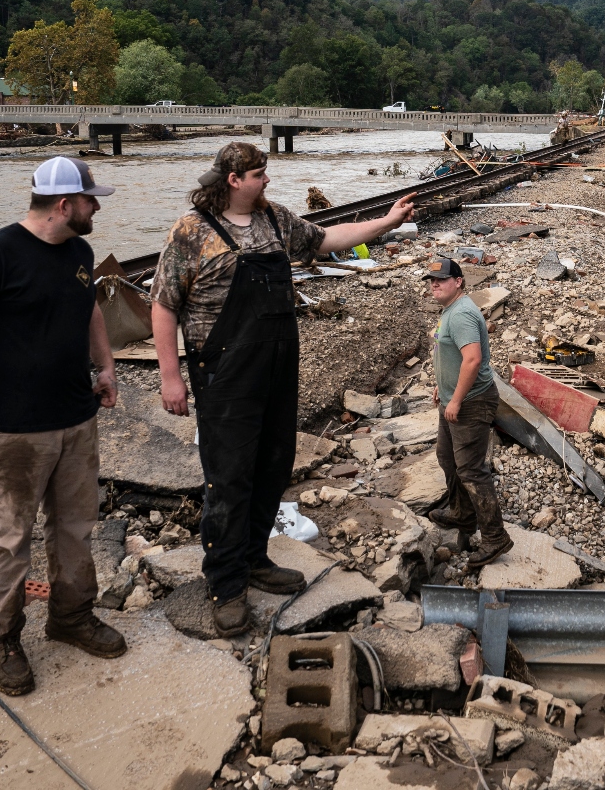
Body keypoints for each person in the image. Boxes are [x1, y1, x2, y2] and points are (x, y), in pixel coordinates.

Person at [151, 142, 414, 635]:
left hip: (275, 367)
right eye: (259, 172)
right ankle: (226, 586)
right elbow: (163, 305)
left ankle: (255, 558)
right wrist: (171, 376)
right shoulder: (191, 232)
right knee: (228, 480)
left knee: (272, 466)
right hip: (224, 374)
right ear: (232, 179)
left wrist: (387, 222)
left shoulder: (274, 220)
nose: (267, 179)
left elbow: (326, 239)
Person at [0, 156, 123, 697]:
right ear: (64, 204)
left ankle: (71, 617)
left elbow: (90, 312)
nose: (97, 207)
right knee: (10, 535)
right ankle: (1, 637)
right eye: (90, 199)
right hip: (15, 428)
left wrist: (104, 366)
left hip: (76, 418)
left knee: (75, 526)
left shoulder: (80, 252)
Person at [422, 256, 512, 565]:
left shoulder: (460, 314)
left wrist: (457, 399)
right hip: (454, 398)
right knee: (447, 458)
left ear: (458, 281)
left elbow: (472, 360)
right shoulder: (451, 310)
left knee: (472, 470)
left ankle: (495, 537)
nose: (435, 284)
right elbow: (452, 357)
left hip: (471, 403)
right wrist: (443, 387)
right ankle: (461, 513)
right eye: (431, 280)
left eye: (441, 279)